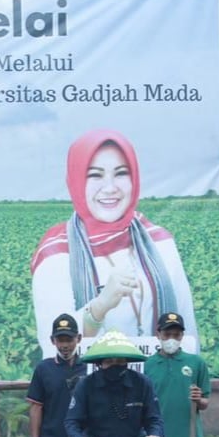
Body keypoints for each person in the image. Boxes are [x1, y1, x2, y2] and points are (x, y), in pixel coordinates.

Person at [31, 128, 196, 358]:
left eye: (121, 173)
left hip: (153, 385)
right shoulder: (56, 254)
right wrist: (98, 308)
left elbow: (188, 335)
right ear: (76, 180)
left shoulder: (160, 243)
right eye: (95, 175)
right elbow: (53, 347)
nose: (110, 187)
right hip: (90, 389)